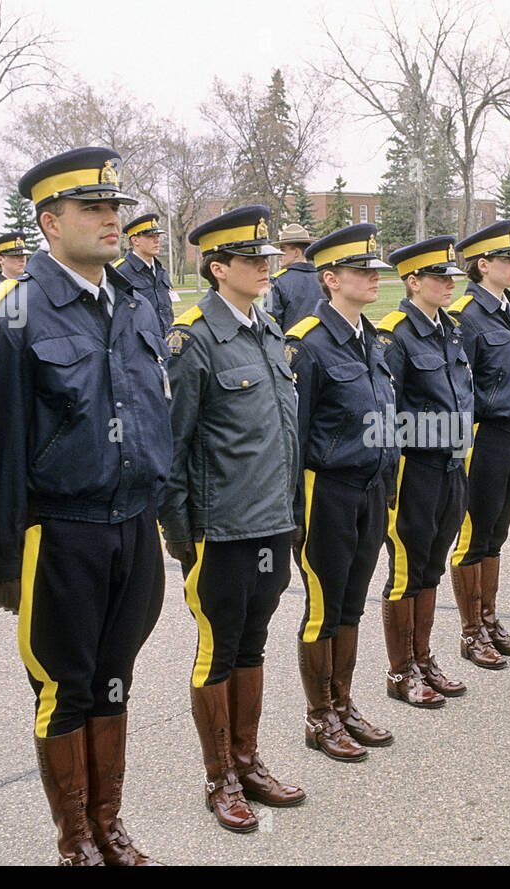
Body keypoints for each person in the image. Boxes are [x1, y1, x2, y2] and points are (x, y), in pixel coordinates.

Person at [0, 147, 171, 866]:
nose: (111, 219)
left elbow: (155, 412)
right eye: (93, 208)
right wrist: (2, 557)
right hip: (61, 532)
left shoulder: (133, 302)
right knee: (65, 686)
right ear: (50, 223)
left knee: (115, 675)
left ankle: (110, 822)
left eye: (115, 206)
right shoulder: (16, 316)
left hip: (133, 525)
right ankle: (75, 837)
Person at [160, 205, 303, 831]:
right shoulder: (192, 340)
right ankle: (219, 778)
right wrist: (182, 532)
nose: (266, 267)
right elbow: (175, 444)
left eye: (268, 258)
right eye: (252, 260)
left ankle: (247, 759)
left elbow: (284, 434)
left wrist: (294, 511)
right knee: (216, 651)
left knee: (254, 643)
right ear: (218, 269)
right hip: (222, 529)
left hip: (272, 519)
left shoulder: (269, 330)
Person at [285, 222, 398, 760]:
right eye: (361, 271)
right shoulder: (307, 343)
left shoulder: (370, 339)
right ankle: (319, 717)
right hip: (326, 491)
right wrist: (296, 511)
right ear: (330, 279)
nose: (373, 278)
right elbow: (294, 435)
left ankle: (343, 703)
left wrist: (390, 478)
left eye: (375, 269)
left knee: (352, 604)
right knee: (323, 607)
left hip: (370, 487)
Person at [377, 236, 477, 703]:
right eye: (438, 277)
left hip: (450, 464)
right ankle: (402, 672)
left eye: (451, 277)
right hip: (414, 469)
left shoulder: (450, 328)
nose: (448, 284)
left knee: (433, 565)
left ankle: (423, 657)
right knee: (406, 568)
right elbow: (384, 410)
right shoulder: (394, 333)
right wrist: (392, 480)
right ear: (412, 281)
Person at [448, 221, 510, 659]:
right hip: (485, 437)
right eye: (507, 260)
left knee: (496, 533)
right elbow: (461, 385)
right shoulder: (466, 315)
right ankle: (471, 632)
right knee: (474, 534)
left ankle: (489, 619)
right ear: (483, 265)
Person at [114, 212, 175, 334]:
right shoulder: (121, 272)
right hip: (140, 346)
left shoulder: (160, 270)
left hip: (165, 341)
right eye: (150, 236)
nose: (157, 240)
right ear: (135, 240)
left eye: (157, 236)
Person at [265, 223, 321, 327]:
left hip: (289, 343)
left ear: (296, 252)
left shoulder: (275, 282)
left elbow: (269, 324)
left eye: (283, 250)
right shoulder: (324, 280)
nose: (278, 255)